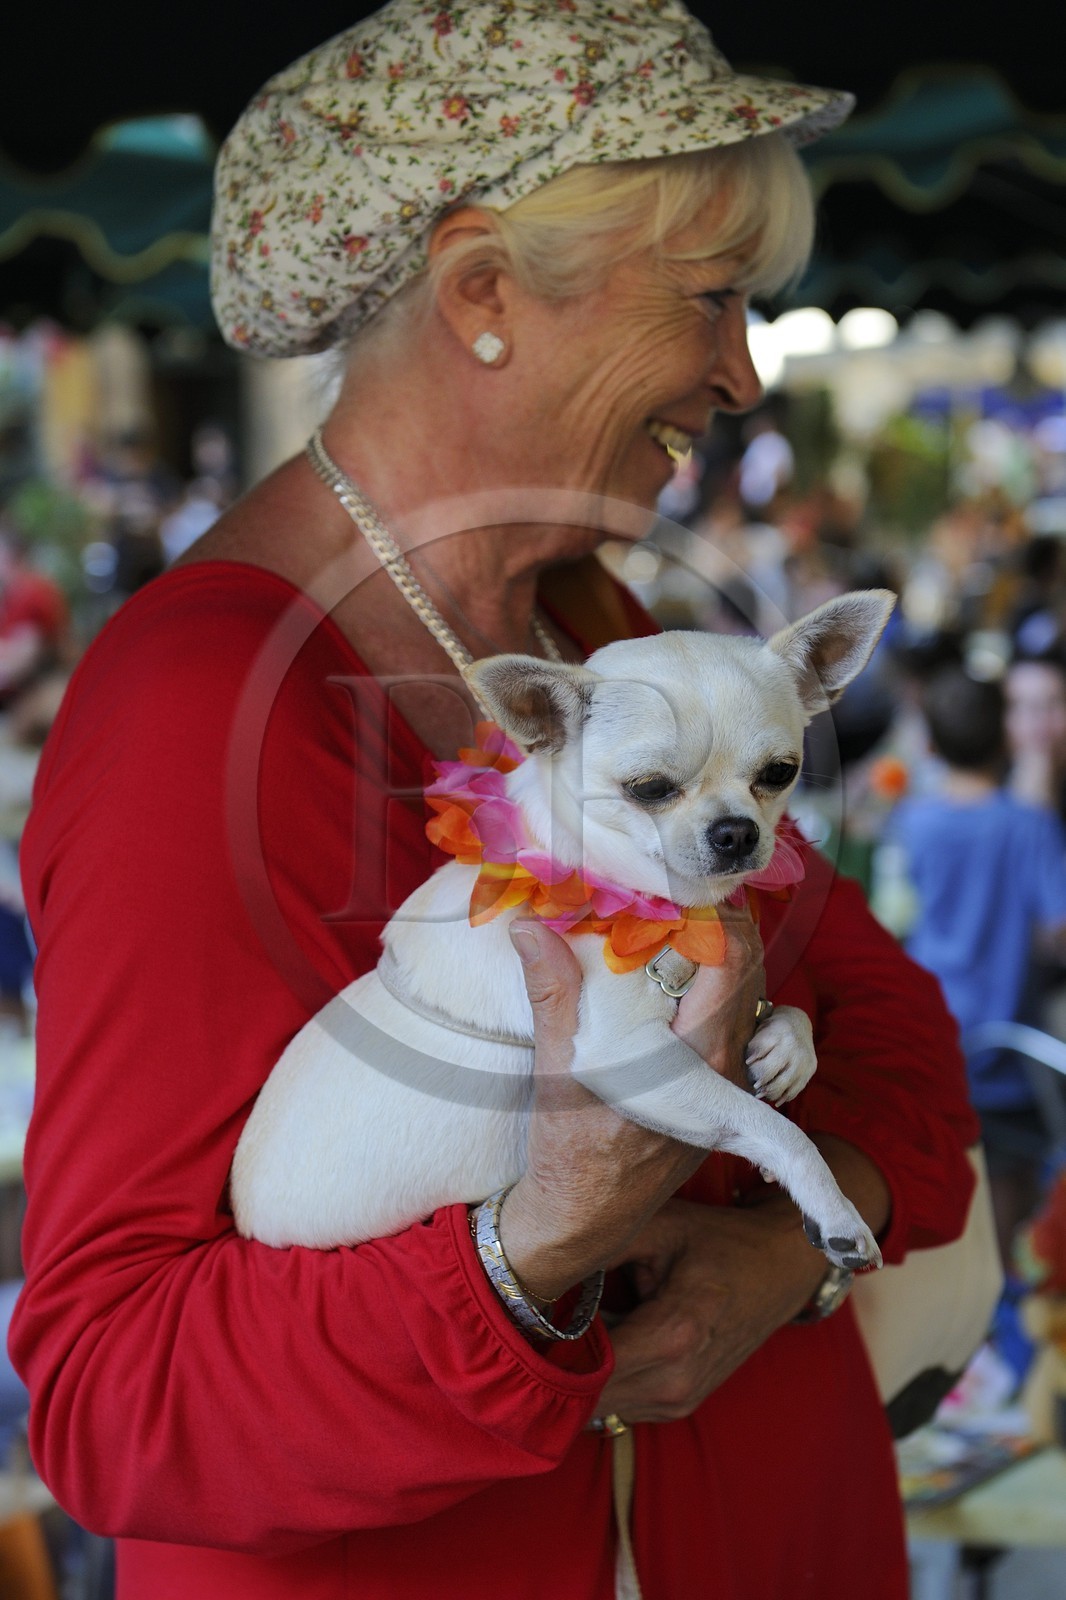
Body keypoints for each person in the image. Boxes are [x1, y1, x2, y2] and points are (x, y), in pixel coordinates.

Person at [10, 4, 978, 1598]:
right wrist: (532, 1255)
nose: (742, 375)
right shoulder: (204, 712)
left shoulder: (606, 633)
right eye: (714, 303)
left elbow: (901, 1044)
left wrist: (795, 1247)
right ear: (480, 296)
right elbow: (122, 1402)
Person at [888, 666, 1066, 1262]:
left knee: (944, 1170)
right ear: (1008, 737)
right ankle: (1005, 1281)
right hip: (1007, 1042)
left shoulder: (912, 822)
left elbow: (896, 914)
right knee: (1010, 1180)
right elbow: (1058, 923)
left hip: (932, 1035)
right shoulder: (1028, 825)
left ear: (931, 745)